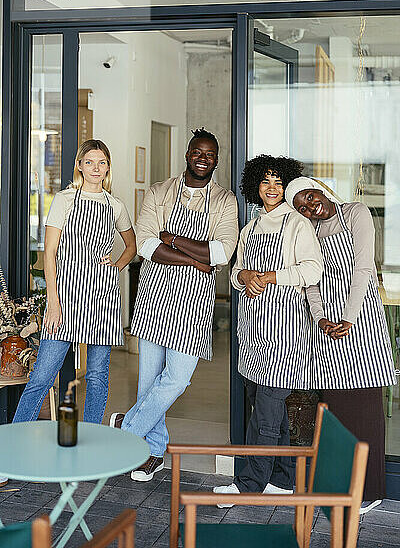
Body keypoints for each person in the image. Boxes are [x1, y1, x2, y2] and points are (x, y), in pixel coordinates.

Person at [110, 128, 238, 482]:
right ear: (187, 154)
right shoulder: (159, 191)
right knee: (149, 379)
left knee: (177, 379)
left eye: (210, 154)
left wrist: (175, 239)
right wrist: (197, 258)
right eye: (197, 151)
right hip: (155, 294)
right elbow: (147, 244)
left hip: (195, 301)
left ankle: (126, 427)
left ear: (216, 160)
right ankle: (153, 452)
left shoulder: (225, 200)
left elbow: (223, 252)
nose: (203, 158)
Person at [213, 156, 323, 506]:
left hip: (286, 333)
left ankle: (247, 486)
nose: (271, 188)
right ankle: (282, 478)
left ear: (286, 185)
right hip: (252, 332)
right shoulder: (251, 228)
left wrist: (273, 276)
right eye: (264, 182)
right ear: (255, 188)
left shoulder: (297, 225)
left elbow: (312, 269)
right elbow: (235, 272)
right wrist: (243, 276)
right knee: (262, 410)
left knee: (266, 412)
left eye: (277, 181)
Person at [285, 176, 397, 514]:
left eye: (308, 196)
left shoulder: (356, 213)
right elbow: (311, 281)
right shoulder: (311, 233)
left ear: (318, 187)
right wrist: (320, 318)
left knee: (364, 410)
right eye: (300, 207)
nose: (308, 206)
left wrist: (348, 318)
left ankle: (369, 490)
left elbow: (363, 268)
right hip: (326, 329)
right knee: (336, 413)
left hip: (361, 320)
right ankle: (340, 485)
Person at [13, 139, 136, 425]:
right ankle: (10, 451)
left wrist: (116, 265)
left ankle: (90, 444)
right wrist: (53, 304)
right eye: (89, 162)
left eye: (102, 162)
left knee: (96, 377)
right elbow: (50, 253)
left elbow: (131, 245)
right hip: (65, 297)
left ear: (108, 168)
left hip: (103, 298)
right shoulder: (65, 199)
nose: (96, 167)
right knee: (42, 376)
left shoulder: (115, 205)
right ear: (79, 165)